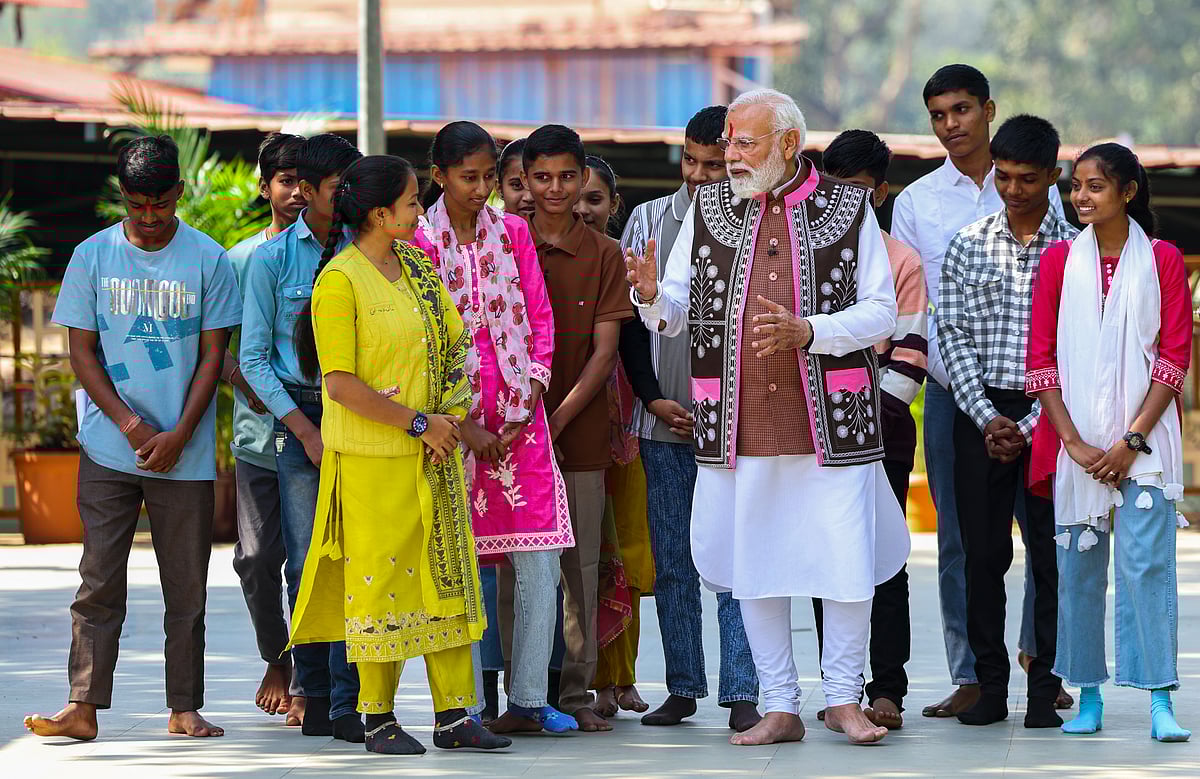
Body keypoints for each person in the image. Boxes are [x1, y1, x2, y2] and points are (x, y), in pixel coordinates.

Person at [626, 88, 908, 746]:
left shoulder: (847, 208)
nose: (731, 155)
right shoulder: (710, 206)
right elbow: (673, 306)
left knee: (843, 559)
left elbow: (881, 312)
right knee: (756, 561)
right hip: (738, 418)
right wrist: (647, 295)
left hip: (833, 420)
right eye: (728, 142)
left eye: (745, 142)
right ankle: (779, 703)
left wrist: (810, 330)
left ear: (789, 144)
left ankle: (843, 698)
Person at [286, 154, 511, 755]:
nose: (420, 212)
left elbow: (454, 345)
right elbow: (339, 384)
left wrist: (449, 420)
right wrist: (419, 422)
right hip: (372, 462)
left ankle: (454, 716)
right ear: (381, 213)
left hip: (431, 455)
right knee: (380, 586)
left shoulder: (417, 265)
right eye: (412, 203)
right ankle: (377, 717)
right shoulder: (339, 279)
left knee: (445, 580)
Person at [24, 135, 241, 740]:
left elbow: (213, 356)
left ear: (179, 193)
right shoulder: (92, 257)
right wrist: (131, 425)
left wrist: (178, 433)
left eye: (161, 203)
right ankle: (84, 706)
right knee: (97, 579)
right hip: (107, 449)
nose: (149, 217)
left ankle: (184, 708)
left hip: (187, 450)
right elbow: (81, 351)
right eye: (137, 204)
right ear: (123, 196)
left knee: (186, 585)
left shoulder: (208, 260)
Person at [891, 64, 1070, 718]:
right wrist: (978, 404)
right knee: (963, 539)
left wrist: (1032, 404)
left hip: (1049, 397)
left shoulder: (1042, 195)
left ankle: (1040, 667)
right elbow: (922, 310)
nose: (950, 125)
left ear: (988, 110)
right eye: (938, 114)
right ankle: (972, 673)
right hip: (952, 390)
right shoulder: (917, 203)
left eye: (961, 109)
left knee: (1045, 535)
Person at [413, 121, 578, 735]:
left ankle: (530, 700)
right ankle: (467, 705)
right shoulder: (418, 244)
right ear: (439, 176)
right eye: (469, 177)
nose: (483, 188)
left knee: (540, 561)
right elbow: (421, 341)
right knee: (465, 565)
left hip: (520, 423)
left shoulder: (513, 233)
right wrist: (461, 422)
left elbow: (539, 312)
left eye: (489, 177)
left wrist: (531, 391)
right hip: (452, 433)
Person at [1028, 143, 1192, 743]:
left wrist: (1130, 440)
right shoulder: (1056, 263)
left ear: (1127, 191)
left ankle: (1158, 701)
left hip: (1145, 445)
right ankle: (1088, 694)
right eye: (1076, 187)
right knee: (1078, 571)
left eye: (1095, 186)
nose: (1081, 197)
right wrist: (1071, 441)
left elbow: (1174, 359)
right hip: (1078, 445)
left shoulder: (1165, 260)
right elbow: (1039, 360)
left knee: (1147, 567)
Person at [616, 104, 762, 733]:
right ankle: (681, 686)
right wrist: (651, 399)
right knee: (672, 558)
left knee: (738, 559)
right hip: (662, 423)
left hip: (737, 425)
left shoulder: (760, 221)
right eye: (693, 161)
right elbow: (627, 325)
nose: (702, 175)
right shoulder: (647, 221)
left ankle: (744, 691)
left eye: (716, 163)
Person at [937, 114, 1077, 728]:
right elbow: (952, 333)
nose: (1014, 190)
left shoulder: (1075, 251)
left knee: (1051, 555)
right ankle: (990, 687)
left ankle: (1044, 688)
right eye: (1005, 177)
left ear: (1053, 175)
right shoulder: (969, 244)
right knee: (981, 556)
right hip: (980, 412)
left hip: (1053, 417)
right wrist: (988, 416)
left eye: (1028, 179)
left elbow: (1080, 351)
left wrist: (1024, 426)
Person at [240, 133, 363, 740]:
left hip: (363, 414)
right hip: (299, 420)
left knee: (359, 557)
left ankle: (353, 697)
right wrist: (304, 430)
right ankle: (312, 690)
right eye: (339, 189)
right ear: (306, 193)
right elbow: (255, 359)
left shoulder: (367, 253)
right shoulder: (269, 261)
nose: (347, 199)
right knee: (305, 564)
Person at [810, 129, 927, 731]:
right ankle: (839, 689)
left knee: (883, 556)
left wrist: (860, 417)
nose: (845, 204)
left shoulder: (899, 258)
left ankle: (887, 687)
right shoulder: (808, 253)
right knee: (824, 554)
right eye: (835, 191)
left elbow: (909, 356)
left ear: (880, 193)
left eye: (858, 193)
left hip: (880, 426)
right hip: (811, 428)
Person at [524, 124, 633, 732]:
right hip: (512, 430)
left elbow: (605, 351)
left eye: (568, 176)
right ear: (526, 181)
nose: (556, 188)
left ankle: (574, 693)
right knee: (516, 564)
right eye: (543, 177)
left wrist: (557, 417)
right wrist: (529, 420)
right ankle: (522, 694)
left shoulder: (604, 254)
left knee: (580, 566)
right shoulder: (507, 244)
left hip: (580, 429)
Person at [223, 131, 307, 722]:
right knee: (256, 558)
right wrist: (254, 387)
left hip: (317, 430)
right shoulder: (239, 260)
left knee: (307, 558)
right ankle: (275, 657)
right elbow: (219, 348)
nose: (297, 192)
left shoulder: (334, 253)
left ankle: (307, 678)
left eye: (307, 181)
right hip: (257, 434)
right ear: (264, 188)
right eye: (285, 181)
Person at [576, 155, 655, 719]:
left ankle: (621, 677)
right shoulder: (537, 258)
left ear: (614, 207)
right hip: (571, 424)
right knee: (584, 552)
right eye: (575, 197)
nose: (582, 207)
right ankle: (583, 680)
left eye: (595, 199)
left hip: (627, 428)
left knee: (626, 553)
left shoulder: (630, 269)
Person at [498, 138, 535, 220]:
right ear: (499, 189)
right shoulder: (488, 231)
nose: (528, 197)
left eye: (535, 185)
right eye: (517, 185)